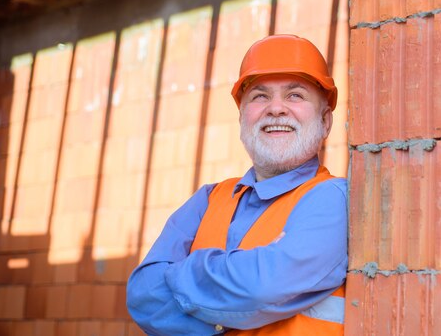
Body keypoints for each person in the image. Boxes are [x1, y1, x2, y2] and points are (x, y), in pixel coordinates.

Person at [126, 34, 348, 335]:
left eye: (295, 95)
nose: (276, 108)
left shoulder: (333, 199)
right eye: (260, 96)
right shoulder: (209, 199)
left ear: (325, 122)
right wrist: (228, 313)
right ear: (242, 116)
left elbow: (263, 287)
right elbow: (143, 295)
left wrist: (183, 272)